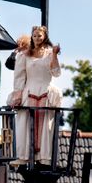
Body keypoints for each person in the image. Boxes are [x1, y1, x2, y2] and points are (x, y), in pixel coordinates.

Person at [8, 27, 63, 166]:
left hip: (45, 91)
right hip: (29, 92)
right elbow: (19, 77)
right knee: (24, 124)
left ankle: (44, 157)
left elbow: (56, 73)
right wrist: (17, 95)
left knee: (45, 126)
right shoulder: (24, 55)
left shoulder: (50, 53)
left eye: (39, 35)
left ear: (44, 37)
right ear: (31, 37)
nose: (37, 38)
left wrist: (55, 55)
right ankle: (23, 156)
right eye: (34, 36)